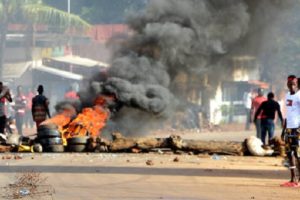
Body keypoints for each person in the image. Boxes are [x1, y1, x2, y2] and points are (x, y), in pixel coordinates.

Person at [280, 75, 300, 187]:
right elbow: (287, 115)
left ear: (297, 84)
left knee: (298, 154)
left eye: (294, 84)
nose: (292, 86)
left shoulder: (299, 96)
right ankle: (293, 179)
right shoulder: (287, 96)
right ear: (287, 84)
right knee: (289, 153)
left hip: (297, 129)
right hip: (288, 129)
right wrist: (284, 130)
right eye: (290, 84)